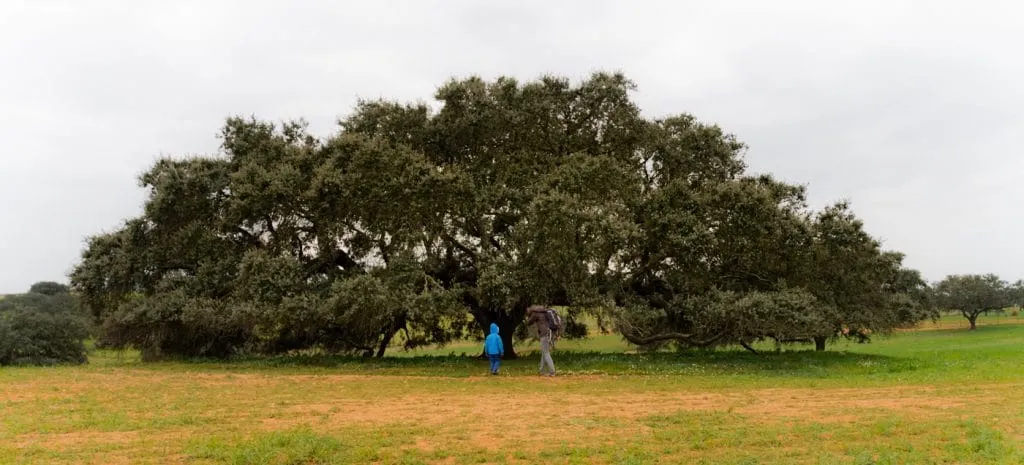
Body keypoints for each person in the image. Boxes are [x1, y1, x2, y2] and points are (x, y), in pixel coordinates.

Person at [526, 305, 556, 376]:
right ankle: (541, 371)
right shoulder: (545, 311)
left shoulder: (535, 313)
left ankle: (552, 372)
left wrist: (527, 317)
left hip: (544, 334)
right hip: (550, 333)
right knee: (544, 352)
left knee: (546, 353)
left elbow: (529, 322)